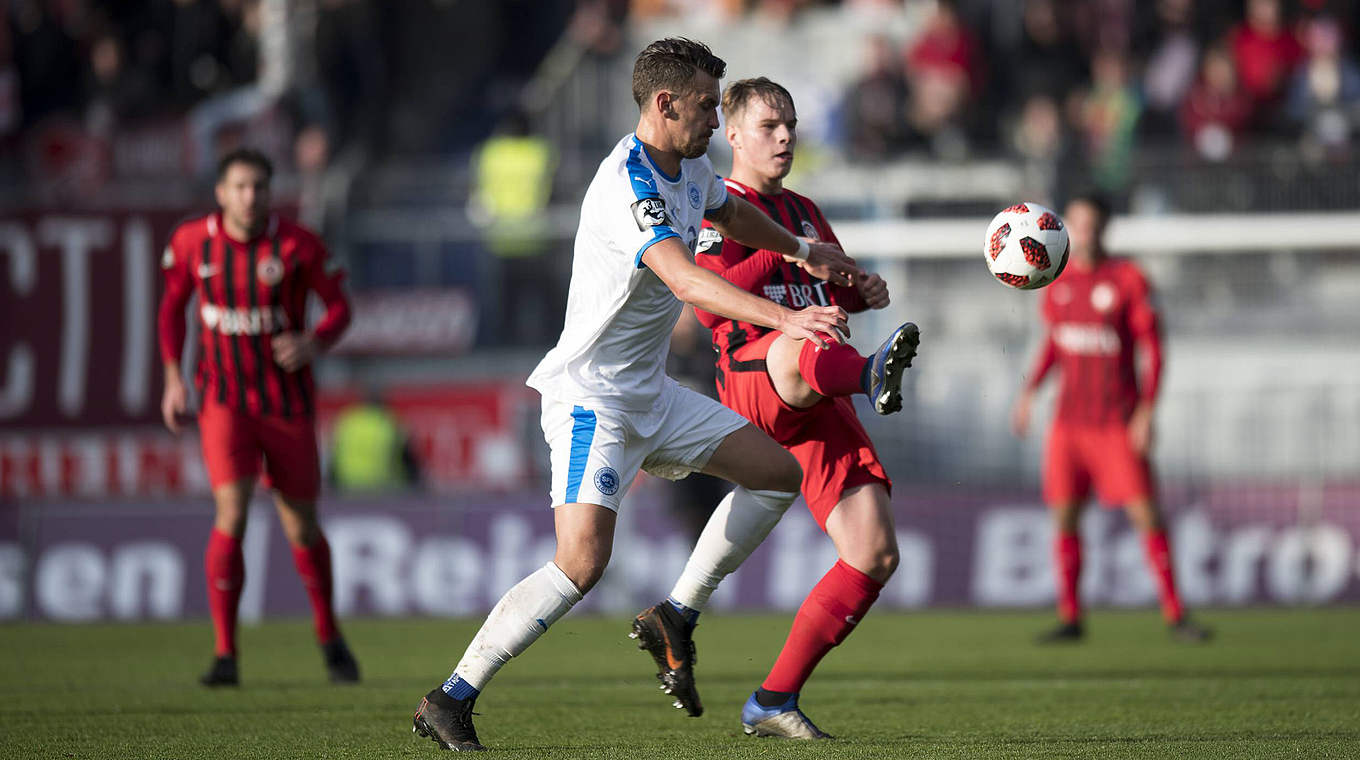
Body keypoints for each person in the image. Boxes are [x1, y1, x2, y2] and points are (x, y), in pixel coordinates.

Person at [409, 37, 864, 752]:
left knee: (778, 474)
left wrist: (802, 251)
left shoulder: (690, 167)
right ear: (665, 104)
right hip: (594, 400)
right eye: (708, 107)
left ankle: (676, 615)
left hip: (651, 391)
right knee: (583, 563)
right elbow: (685, 280)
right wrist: (789, 315)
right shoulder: (631, 183)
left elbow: (732, 214)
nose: (716, 121)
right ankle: (451, 696)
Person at [669, 77, 918, 740]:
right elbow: (704, 299)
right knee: (801, 334)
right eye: (769, 126)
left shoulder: (804, 210)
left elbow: (831, 278)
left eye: (790, 125)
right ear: (734, 135)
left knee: (874, 554)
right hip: (755, 374)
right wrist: (787, 255)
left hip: (816, 388)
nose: (783, 137)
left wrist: (862, 287)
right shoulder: (719, 209)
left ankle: (773, 699)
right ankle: (870, 373)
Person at [158, 147, 359, 686]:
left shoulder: (297, 245)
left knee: (301, 525)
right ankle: (226, 655)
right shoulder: (192, 243)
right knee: (233, 510)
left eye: (259, 187)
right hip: (223, 401)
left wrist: (314, 342)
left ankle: (328, 634)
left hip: (287, 405)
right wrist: (174, 376)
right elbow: (172, 306)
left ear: (270, 193)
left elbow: (340, 307)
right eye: (240, 187)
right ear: (221, 193)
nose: (250, 197)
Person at [1011, 192, 1210, 644]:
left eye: (1093, 224)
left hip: (1116, 422)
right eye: (1078, 223)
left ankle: (1176, 614)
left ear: (1106, 228)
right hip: (1068, 425)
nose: (1086, 232)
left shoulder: (1128, 279)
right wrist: (1029, 393)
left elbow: (1153, 350)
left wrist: (1146, 412)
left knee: (1146, 514)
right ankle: (1071, 617)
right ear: (1067, 228)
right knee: (1064, 517)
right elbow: (1055, 345)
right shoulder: (1056, 282)